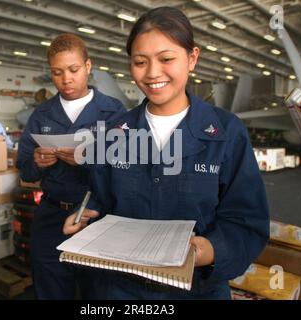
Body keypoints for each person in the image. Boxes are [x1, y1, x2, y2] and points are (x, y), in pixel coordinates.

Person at [63, 7, 269, 300]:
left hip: (195, 291)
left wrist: (208, 251)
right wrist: (86, 215)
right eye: (140, 62)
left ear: (192, 58)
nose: (152, 73)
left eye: (167, 59)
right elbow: (102, 199)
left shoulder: (226, 133)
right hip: (121, 291)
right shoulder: (113, 132)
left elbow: (248, 222)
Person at [16, 33, 126, 299]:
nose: (66, 79)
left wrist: (89, 159)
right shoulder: (41, 114)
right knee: (51, 287)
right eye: (57, 72)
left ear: (88, 67)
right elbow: (25, 170)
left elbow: (126, 169)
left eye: (74, 70)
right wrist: (37, 162)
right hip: (51, 215)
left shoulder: (113, 112)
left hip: (96, 217)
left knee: (99, 291)